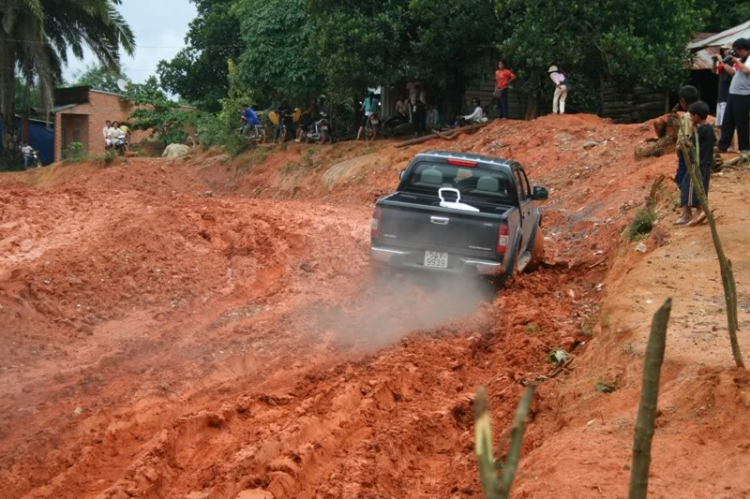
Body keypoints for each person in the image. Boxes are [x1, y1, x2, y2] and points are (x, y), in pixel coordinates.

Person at [676, 101, 715, 226]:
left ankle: (701, 211)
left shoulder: (700, 131)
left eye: (692, 116)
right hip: (706, 163)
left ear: (697, 116)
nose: (690, 118)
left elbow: (691, 145)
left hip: (697, 164)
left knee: (690, 187)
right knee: (701, 186)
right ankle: (699, 213)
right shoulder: (709, 128)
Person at [719, 38, 750, 152]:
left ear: (742, 49)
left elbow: (747, 70)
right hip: (733, 94)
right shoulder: (742, 58)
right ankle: (723, 145)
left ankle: (744, 148)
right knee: (728, 121)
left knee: (741, 122)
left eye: (736, 50)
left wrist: (736, 60)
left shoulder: (748, 58)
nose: (735, 52)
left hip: (743, 95)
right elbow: (733, 71)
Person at [674, 85, 700, 193]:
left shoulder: (686, 117)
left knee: (682, 179)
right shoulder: (700, 115)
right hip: (695, 153)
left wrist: (678, 149)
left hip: (686, 154)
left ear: (682, 101)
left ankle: (684, 203)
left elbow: (685, 138)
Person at [713, 44, 734, 128]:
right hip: (721, 97)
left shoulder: (733, 62)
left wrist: (721, 60)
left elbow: (732, 72)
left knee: (727, 124)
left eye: (727, 49)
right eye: (724, 50)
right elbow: (714, 71)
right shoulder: (723, 64)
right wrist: (714, 61)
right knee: (720, 125)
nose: (725, 52)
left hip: (727, 97)